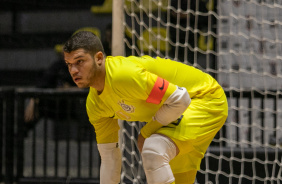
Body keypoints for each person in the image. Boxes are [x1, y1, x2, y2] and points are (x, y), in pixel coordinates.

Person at [63, 31, 228, 184]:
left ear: (99, 58)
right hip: (177, 114)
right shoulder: (94, 105)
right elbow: (109, 158)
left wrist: (146, 132)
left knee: (153, 150)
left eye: (80, 61)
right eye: (69, 64)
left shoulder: (123, 76)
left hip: (204, 98)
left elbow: (180, 98)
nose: (74, 70)